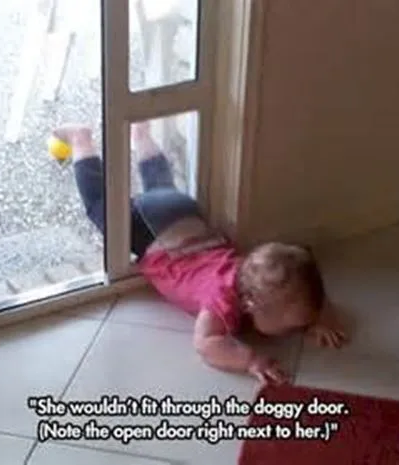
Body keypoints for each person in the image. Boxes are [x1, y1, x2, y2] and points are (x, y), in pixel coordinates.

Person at [51, 123, 348, 385]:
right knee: (100, 206)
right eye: (292, 325)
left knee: (160, 187)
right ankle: (80, 140)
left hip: (183, 212)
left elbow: (302, 286)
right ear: (251, 304)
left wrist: (320, 319)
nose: (295, 330)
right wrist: (250, 360)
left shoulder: (254, 272)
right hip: (156, 236)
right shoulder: (221, 300)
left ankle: (141, 135)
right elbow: (206, 343)